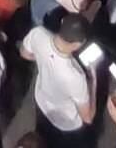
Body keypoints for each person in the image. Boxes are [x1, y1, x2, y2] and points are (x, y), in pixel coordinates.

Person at [19, 14, 95, 147]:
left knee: (40, 139)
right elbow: (87, 117)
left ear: (62, 21)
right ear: (77, 44)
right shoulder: (76, 77)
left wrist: (44, 60)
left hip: (42, 104)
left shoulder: (38, 33)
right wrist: (93, 82)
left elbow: (24, 53)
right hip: (66, 123)